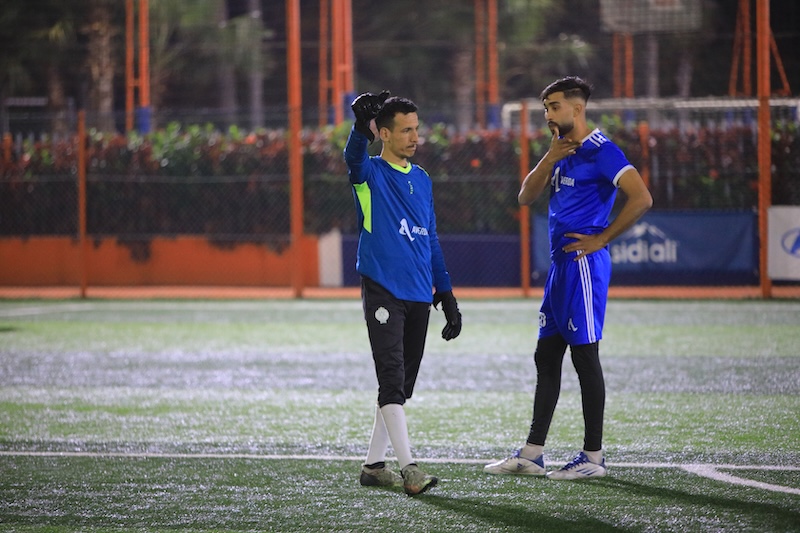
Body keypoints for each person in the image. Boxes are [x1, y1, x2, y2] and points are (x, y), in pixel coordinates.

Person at [484, 76, 652, 480]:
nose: (548, 114)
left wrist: (602, 239)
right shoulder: (560, 151)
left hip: (582, 266)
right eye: (545, 107)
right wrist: (549, 157)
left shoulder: (602, 150)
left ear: (577, 109)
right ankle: (532, 454)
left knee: (584, 357)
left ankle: (593, 457)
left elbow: (642, 197)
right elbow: (525, 197)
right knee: (546, 357)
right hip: (561, 269)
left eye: (554, 106)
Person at [344, 90, 462, 496]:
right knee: (392, 377)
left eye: (416, 129)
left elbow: (431, 239)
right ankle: (409, 469)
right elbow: (353, 159)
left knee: (400, 386)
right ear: (385, 134)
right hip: (383, 289)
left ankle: (373, 467)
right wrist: (360, 130)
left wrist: (446, 293)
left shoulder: (422, 179)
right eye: (406, 130)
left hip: (418, 293)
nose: (415, 137)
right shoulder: (370, 174)